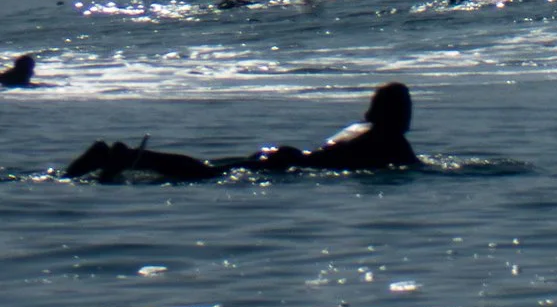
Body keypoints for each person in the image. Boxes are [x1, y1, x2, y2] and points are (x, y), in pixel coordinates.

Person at [66, 82, 424, 181]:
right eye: (406, 108)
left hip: (287, 156)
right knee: (204, 173)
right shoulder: (390, 139)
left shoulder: (358, 128)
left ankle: (127, 158)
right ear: (394, 113)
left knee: (208, 169)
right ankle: (127, 157)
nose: (410, 116)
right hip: (291, 166)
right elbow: (415, 169)